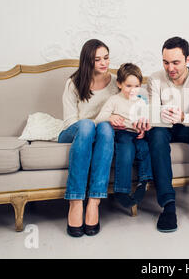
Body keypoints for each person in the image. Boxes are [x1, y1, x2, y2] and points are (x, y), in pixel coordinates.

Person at [146, 36, 189, 233]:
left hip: (186, 124)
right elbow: (153, 113)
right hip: (163, 126)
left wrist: (183, 116)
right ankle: (168, 205)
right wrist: (162, 114)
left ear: (187, 59)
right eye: (166, 62)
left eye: (176, 62)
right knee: (156, 134)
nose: (170, 68)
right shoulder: (155, 79)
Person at [59, 39, 121, 238]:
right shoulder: (74, 82)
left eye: (106, 57)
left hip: (102, 134)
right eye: (97, 59)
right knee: (88, 125)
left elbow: (126, 105)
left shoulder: (116, 83)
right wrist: (100, 121)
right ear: (88, 61)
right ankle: (75, 201)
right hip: (75, 132)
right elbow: (70, 121)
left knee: (105, 127)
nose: (104, 63)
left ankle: (94, 201)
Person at [95, 63, 153, 209]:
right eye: (128, 86)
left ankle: (144, 181)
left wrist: (143, 129)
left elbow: (147, 120)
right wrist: (110, 117)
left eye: (136, 86)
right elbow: (98, 118)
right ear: (119, 84)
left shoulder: (140, 102)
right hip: (122, 133)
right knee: (126, 151)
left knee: (145, 148)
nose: (133, 90)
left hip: (136, 134)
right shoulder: (114, 100)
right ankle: (121, 190)